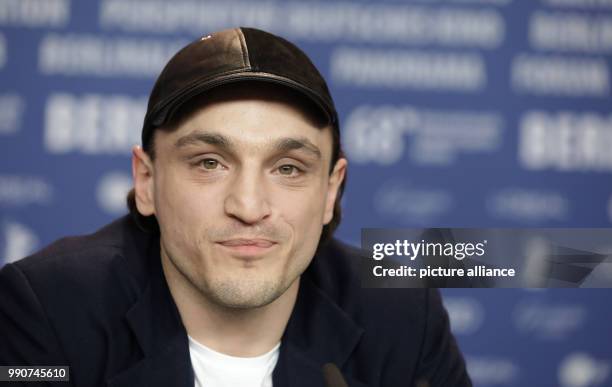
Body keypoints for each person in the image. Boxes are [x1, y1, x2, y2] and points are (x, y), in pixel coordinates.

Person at [0, 27, 471, 387]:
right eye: (209, 162)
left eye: (288, 168)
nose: (248, 206)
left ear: (331, 191)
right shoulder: (48, 306)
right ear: (146, 180)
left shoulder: (403, 314)